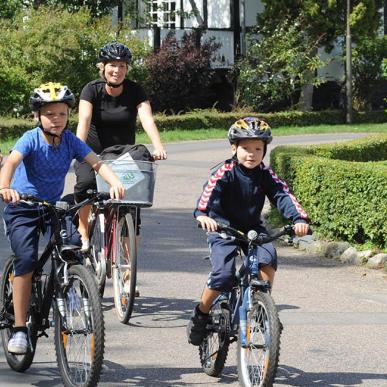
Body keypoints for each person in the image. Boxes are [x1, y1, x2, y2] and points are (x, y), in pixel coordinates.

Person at [0, 82, 125, 355]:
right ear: (38, 116)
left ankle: (71, 288)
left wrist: (113, 183)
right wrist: (5, 187)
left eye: (62, 114)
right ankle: (20, 328)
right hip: (22, 205)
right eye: (50, 114)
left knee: (71, 250)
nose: (57, 119)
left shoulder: (70, 141)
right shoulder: (30, 138)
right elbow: (10, 162)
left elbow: (97, 163)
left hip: (52, 206)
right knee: (27, 261)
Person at [186, 117, 310, 346]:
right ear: (234, 148)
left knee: (268, 259)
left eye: (257, 149)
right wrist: (202, 214)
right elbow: (208, 195)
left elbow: (283, 195)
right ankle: (201, 314)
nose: (251, 154)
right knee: (223, 276)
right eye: (245, 148)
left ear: (264, 151)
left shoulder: (265, 174)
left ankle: (262, 305)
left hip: (253, 228)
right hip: (223, 227)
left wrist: (299, 219)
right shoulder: (226, 171)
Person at [74, 41, 167, 251]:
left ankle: (127, 275)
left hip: (124, 156)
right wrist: (78, 148)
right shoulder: (91, 90)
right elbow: (84, 121)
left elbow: (147, 119)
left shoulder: (136, 91)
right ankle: (82, 230)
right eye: (112, 65)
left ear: (127, 68)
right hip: (93, 154)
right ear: (103, 67)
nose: (117, 70)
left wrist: (158, 146)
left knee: (131, 205)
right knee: (85, 186)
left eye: (122, 66)